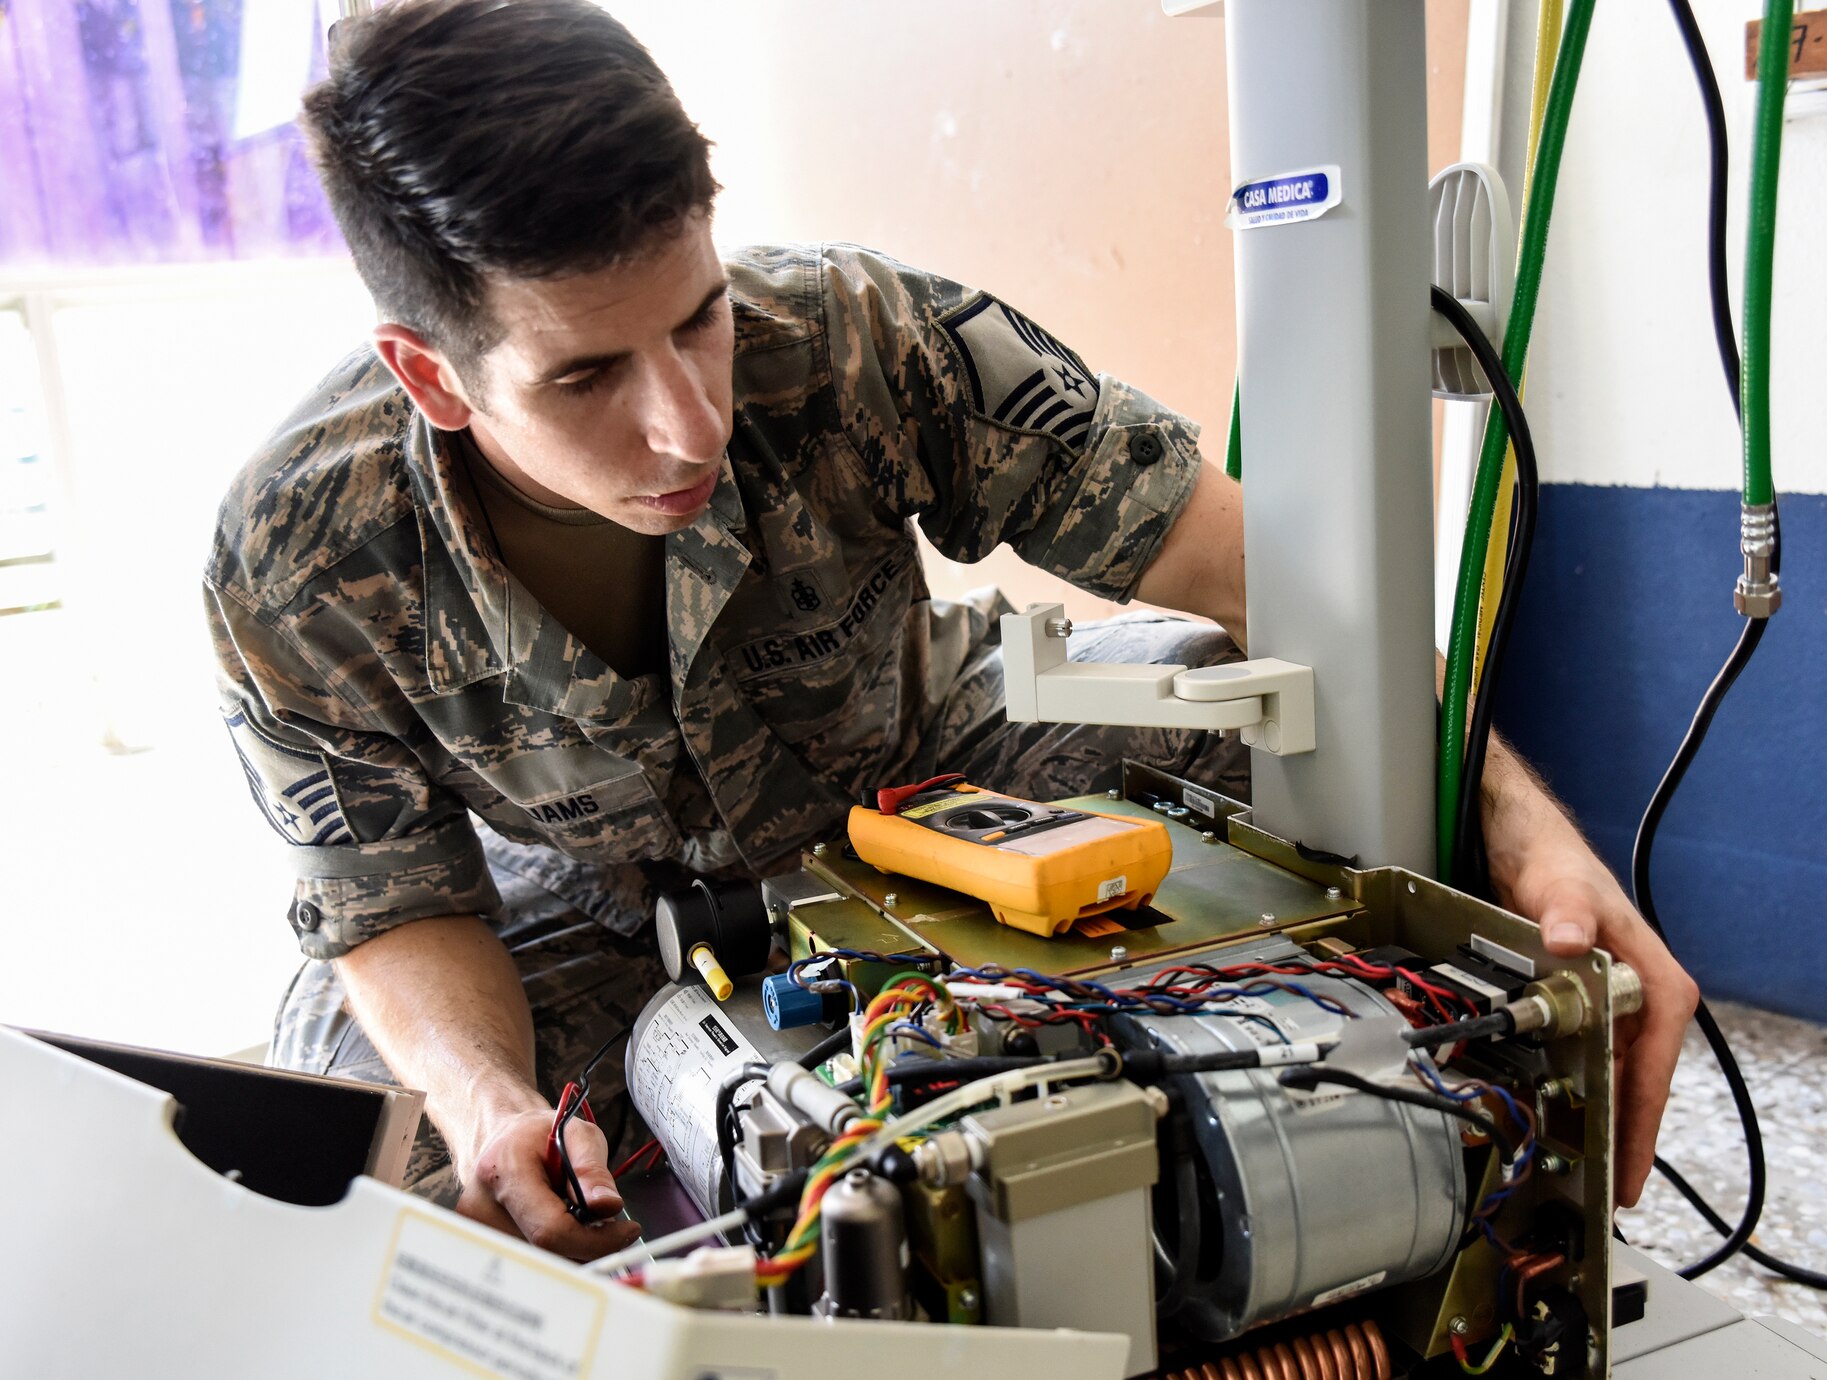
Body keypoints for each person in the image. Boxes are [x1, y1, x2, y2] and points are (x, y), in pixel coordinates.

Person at [206, 0, 1697, 1264]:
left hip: (921, 762)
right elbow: (392, 906)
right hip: (577, 903)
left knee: (1261, 720)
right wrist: (487, 1106)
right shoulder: (296, 551)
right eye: (589, 376)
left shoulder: (868, 333)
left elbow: (1273, 586)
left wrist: (1521, 838)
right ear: (434, 372)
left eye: (703, 318)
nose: (688, 421)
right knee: (381, 1169)